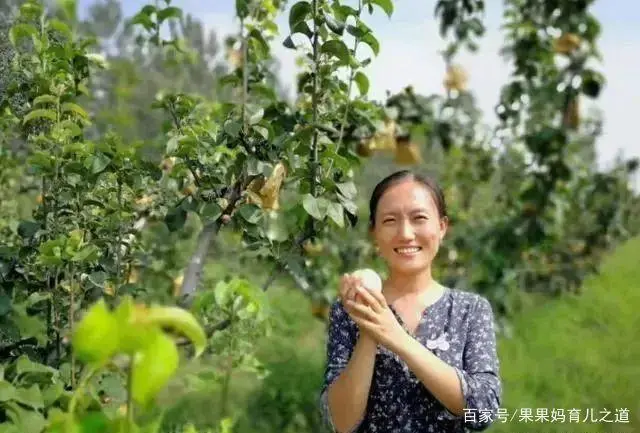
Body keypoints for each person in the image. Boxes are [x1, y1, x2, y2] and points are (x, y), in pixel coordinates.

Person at [319, 170, 502, 433]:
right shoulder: (350, 310)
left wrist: (396, 337)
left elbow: (482, 412)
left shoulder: (470, 310)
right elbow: (341, 423)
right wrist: (370, 327)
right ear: (374, 232)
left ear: (441, 227)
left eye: (419, 218)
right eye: (390, 220)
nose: (405, 234)